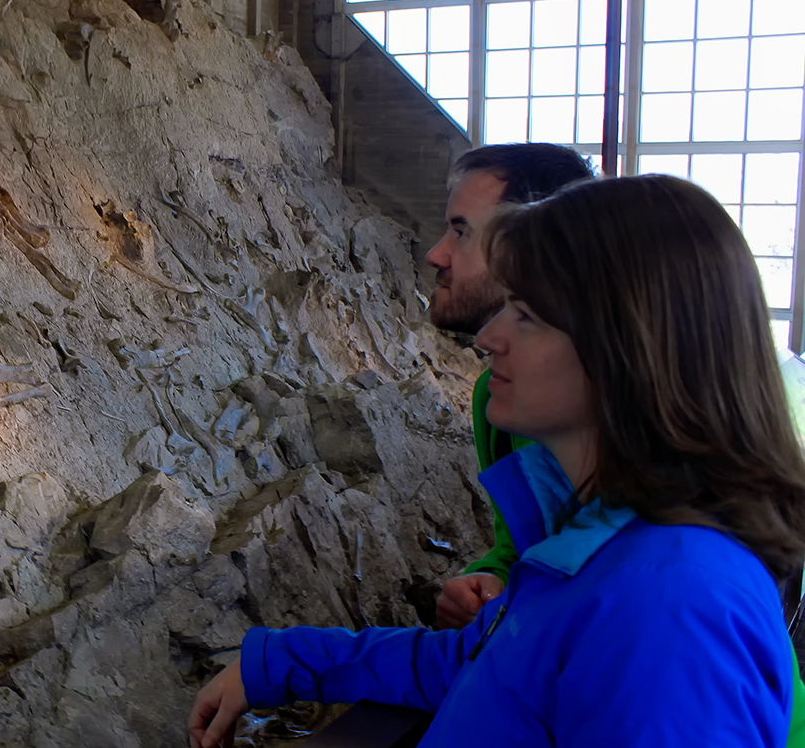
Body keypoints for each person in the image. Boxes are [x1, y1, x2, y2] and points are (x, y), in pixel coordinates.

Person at [188, 175, 805, 748]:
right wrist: (280, 662)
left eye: (528, 316)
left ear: (630, 348)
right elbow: (478, 666)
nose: (488, 337)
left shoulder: (671, 613)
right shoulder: (599, 537)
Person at [423, 144, 594, 628]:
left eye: (461, 231)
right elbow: (519, 547)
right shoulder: (495, 396)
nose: (437, 253)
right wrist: (489, 581)